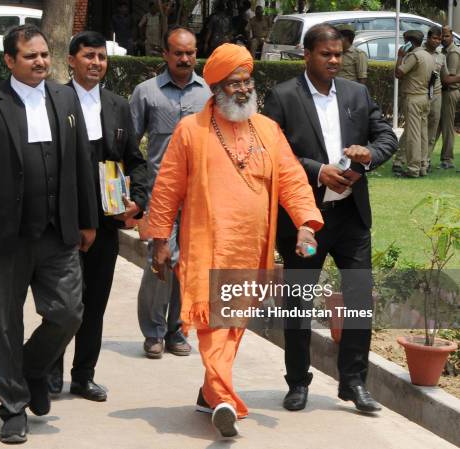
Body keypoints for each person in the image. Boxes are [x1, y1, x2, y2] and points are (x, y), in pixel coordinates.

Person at [147, 43, 323, 437]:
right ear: (216, 88)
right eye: (233, 84)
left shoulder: (267, 130)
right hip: (206, 245)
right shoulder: (190, 131)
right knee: (213, 323)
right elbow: (167, 188)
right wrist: (161, 238)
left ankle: (208, 392)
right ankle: (224, 399)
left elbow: (293, 180)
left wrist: (306, 225)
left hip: (251, 247)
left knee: (233, 324)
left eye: (247, 82)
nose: (243, 90)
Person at [0, 25, 98, 444]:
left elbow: (82, 162)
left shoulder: (66, 97)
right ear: (9, 61)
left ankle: (32, 369)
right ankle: (13, 408)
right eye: (30, 56)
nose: (41, 62)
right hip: (6, 235)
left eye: (45, 55)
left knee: (69, 312)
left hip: (58, 231)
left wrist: (89, 220)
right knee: (5, 324)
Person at [263, 23, 397, 413]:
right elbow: (274, 154)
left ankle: (353, 383)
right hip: (306, 219)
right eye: (326, 54)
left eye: (339, 54)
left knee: (358, 298)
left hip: (352, 216)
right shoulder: (284, 96)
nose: (335, 60)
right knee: (298, 302)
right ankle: (298, 382)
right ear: (307, 55)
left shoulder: (357, 93)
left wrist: (369, 157)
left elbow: (386, 136)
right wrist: (318, 170)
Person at [48, 31, 148, 402]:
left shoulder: (118, 105)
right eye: (88, 56)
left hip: (106, 222)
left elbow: (135, 161)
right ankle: (49, 373)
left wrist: (137, 200)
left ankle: (83, 375)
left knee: (95, 304)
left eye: (101, 57)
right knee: (62, 303)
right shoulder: (53, 100)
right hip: (63, 222)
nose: (96, 63)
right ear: (72, 60)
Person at [130, 25, 211, 359]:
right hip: (159, 194)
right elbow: (130, 146)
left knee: (187, 266)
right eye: (178, 52)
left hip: (197, 197)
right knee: (160, 261)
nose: (185, 58)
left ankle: (177, 329)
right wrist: (133, 195)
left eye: (190, 52)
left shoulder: (207, 94)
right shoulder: (146, 92)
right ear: (165, 54)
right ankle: (153, 332)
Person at [395, 29, 434, 178]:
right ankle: (423, 166)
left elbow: (398, 73)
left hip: (413, 98)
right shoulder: (428, 55)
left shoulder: (414, 55)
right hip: (424, 97)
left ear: (409, 42)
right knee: (423, 134)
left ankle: (413, 169)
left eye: (405, 41)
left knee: (413, 135)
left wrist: (400, 56)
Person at [423, 26, 447, 172]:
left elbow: (445, 77)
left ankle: (426, 160)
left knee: (432, 130)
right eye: (435, 38)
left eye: (439, 39)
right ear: (428, 38)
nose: (437, 41)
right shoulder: (419, 53)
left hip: (436, 94)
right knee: (416, 130)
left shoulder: (441, 56)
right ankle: (402, 160)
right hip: (421, 94)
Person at [439, 25, 460, 169]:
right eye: (442, 36)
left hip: (449, 92)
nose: (444, 38)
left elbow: (450, 78)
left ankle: (447, 160)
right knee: (437, 126)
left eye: (447, 36)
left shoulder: (453, 52)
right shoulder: (443, 50)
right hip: (443, 92)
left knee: (447, 127)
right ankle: (425, 157)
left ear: (452, 36)